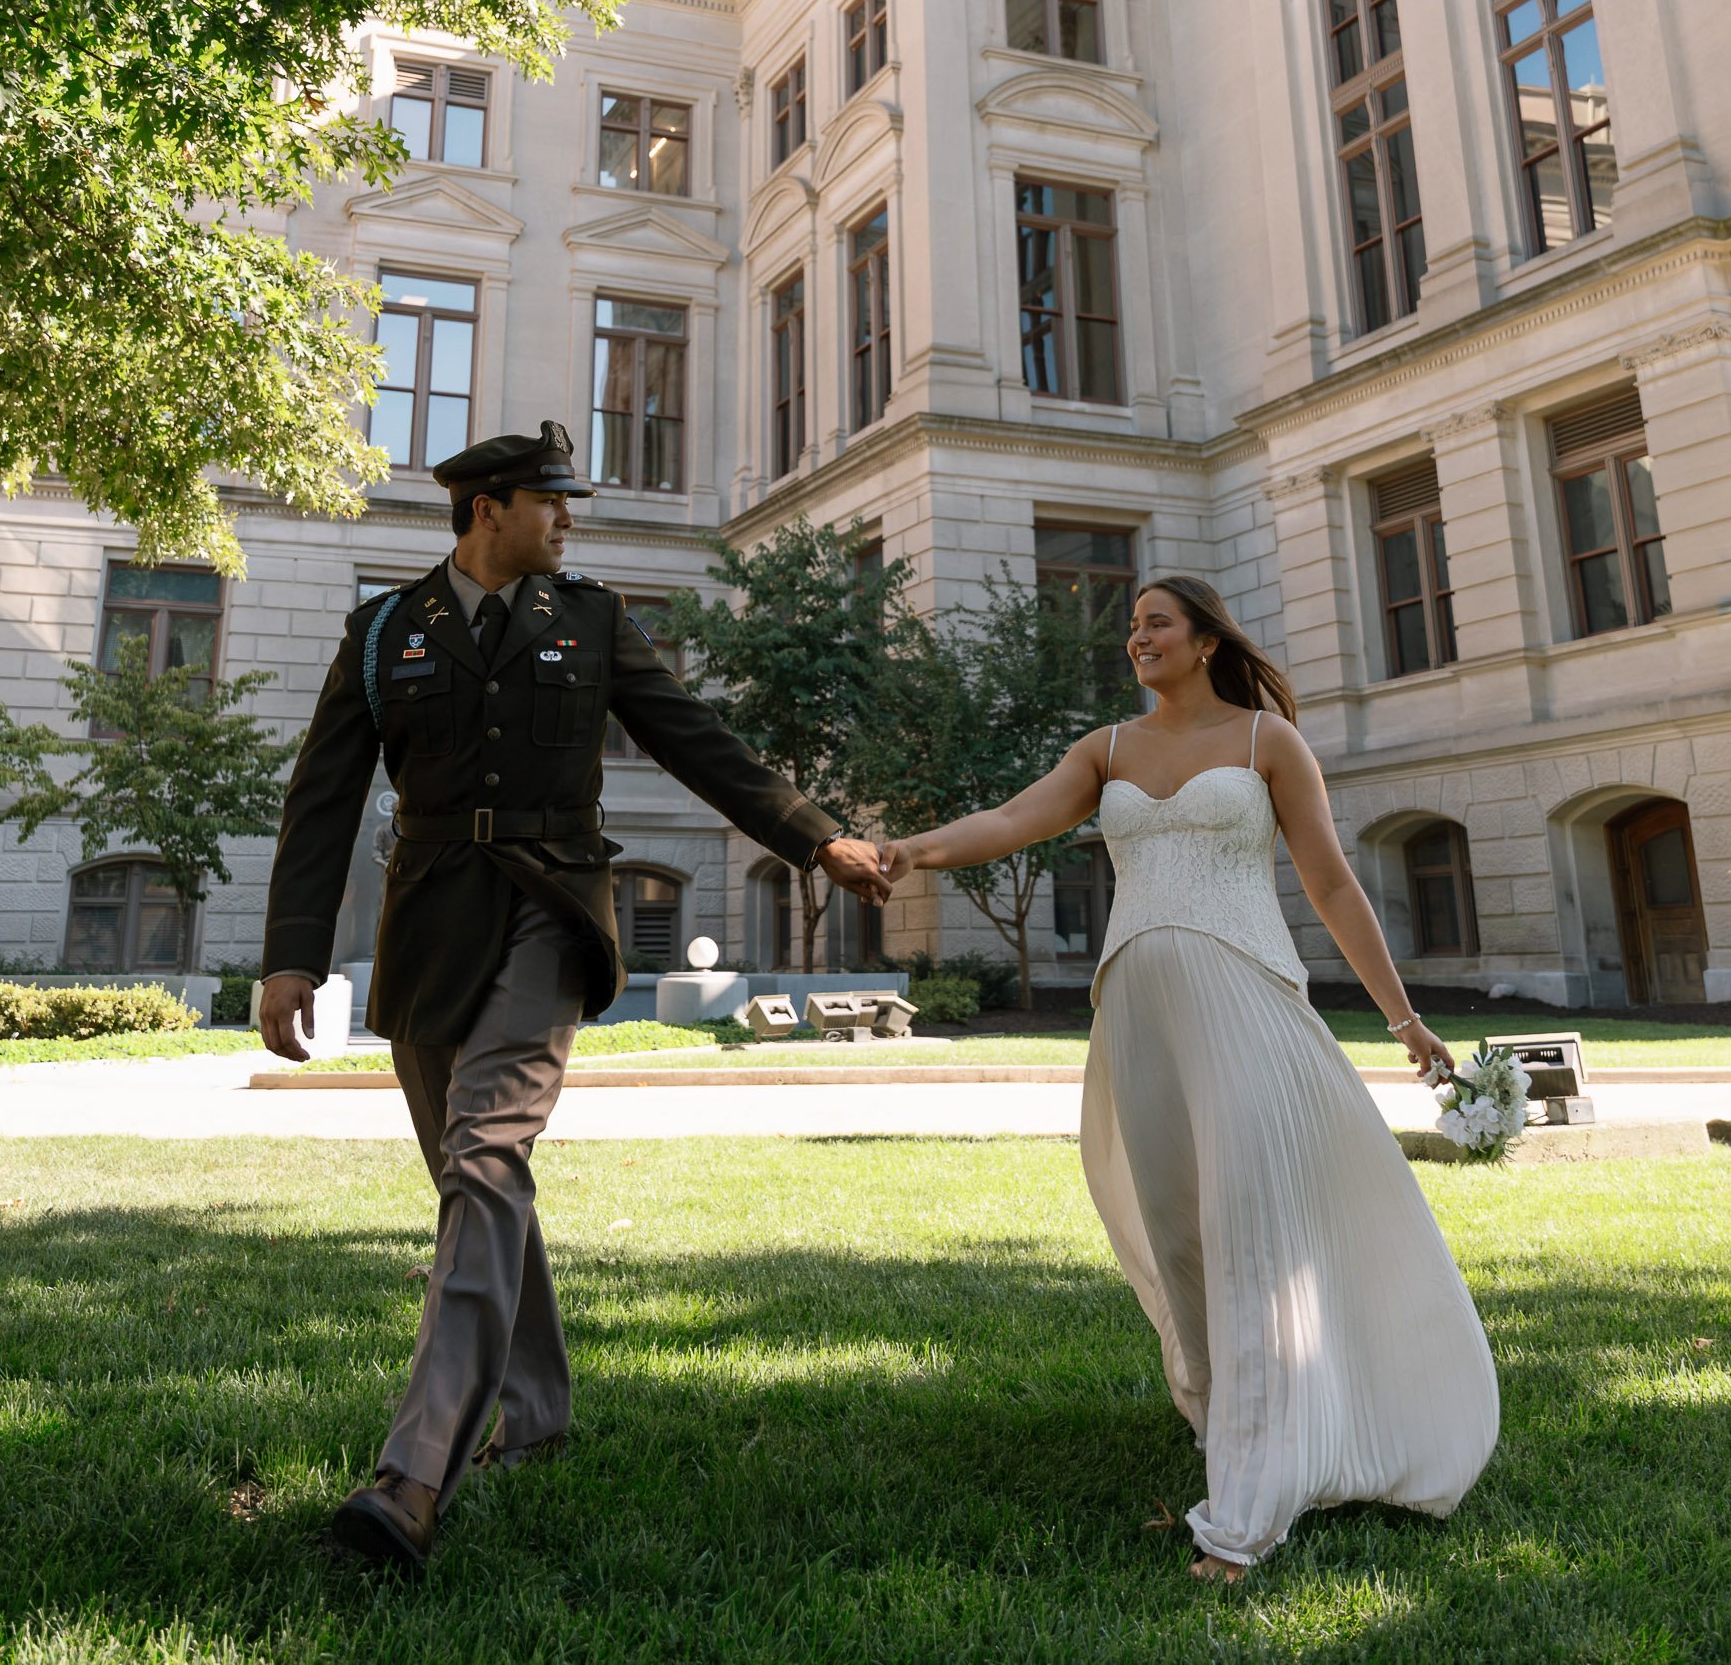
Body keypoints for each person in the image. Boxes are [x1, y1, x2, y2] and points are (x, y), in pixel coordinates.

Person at [258, 420, 890, 1570]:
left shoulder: (592, 620)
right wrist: (293, 954)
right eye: (551, 501)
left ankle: (412, 1472)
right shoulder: (384, 632)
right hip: (428, 927)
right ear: (487, 508)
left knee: (486, 1151)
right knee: (479, 1176)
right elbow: (322, 801)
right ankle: (536, 1416)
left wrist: (814, 838)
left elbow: (701, 742)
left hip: (554, 910)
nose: (569, 519)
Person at [878, 574, 1498, 1582]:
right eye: (1130, 628)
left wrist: (1403, 1018)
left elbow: (1330, 881)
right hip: (1137, 1018)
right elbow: (1010, 818)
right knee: (1179, 1239)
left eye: (1154, 622)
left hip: (1244, 1001)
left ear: (1207, 639)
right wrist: (913, 849)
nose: (1136, 638)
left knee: (1252, 1235)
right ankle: (1238, 1439)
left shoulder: (1265, 743)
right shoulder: (1107, 749)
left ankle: (1245, 1516)